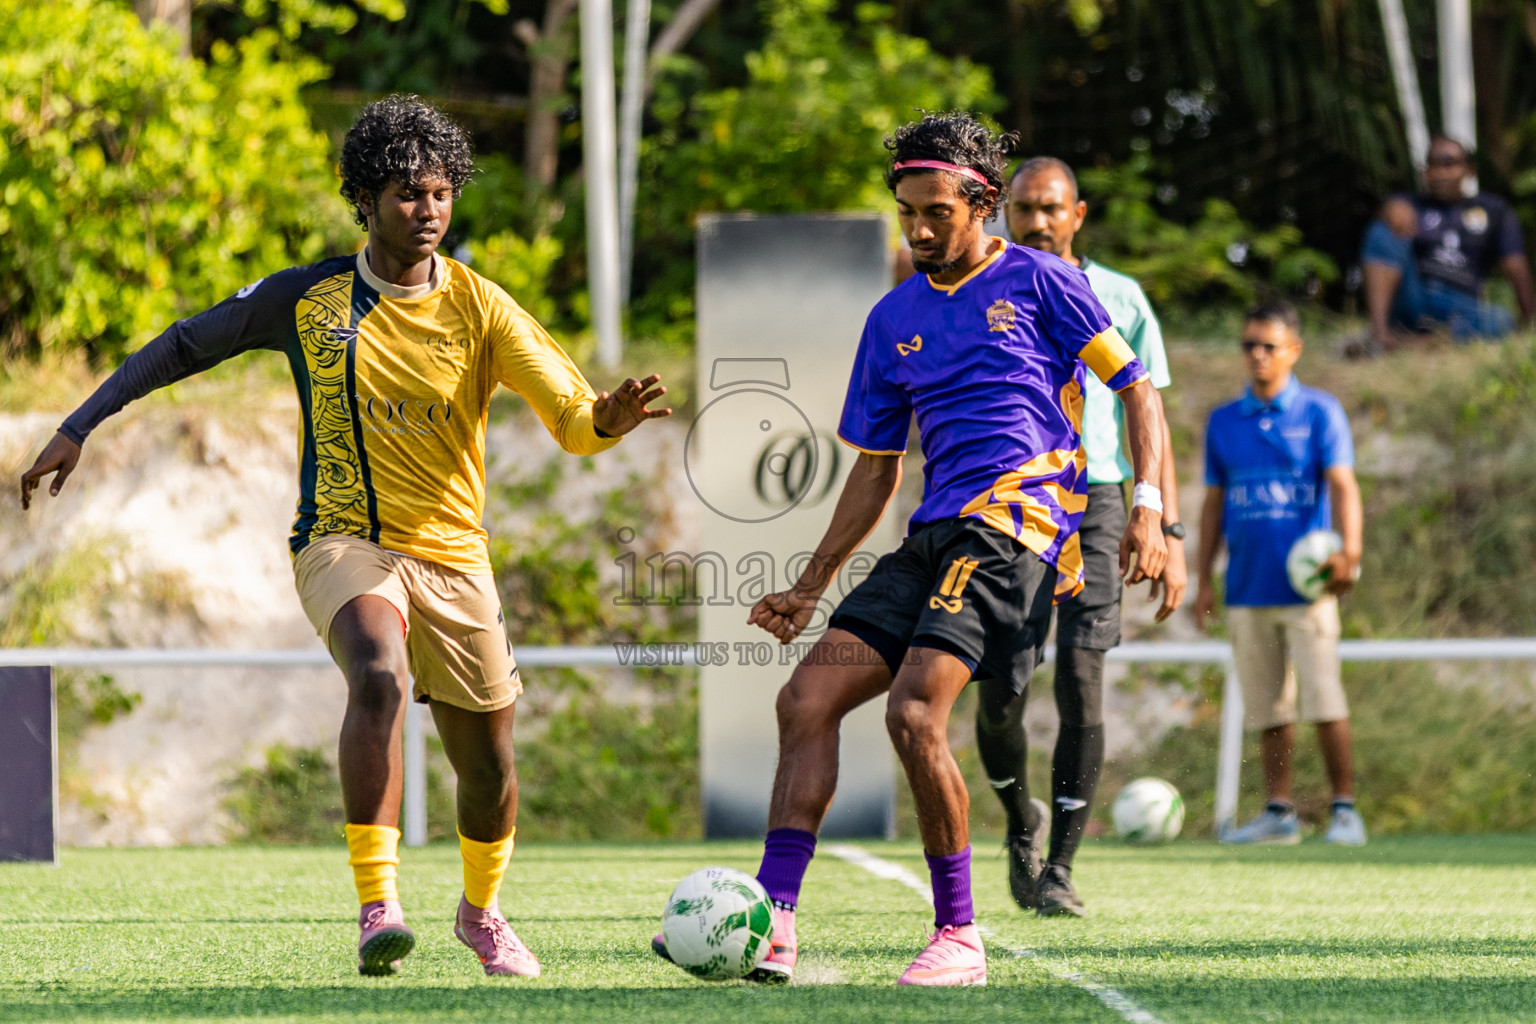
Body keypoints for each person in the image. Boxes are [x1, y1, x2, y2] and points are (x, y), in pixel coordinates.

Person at [17, 95, 670, 977]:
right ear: (364, 199)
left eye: (440, 193)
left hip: (454, 556)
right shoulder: (308, 298)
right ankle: (378, 907)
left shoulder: (483, 309)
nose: (428, 211)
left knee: (491, 767)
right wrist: (80, 423)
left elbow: (573, 422)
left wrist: (612, 418)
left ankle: (481, 915)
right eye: (407, 193)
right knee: (379, 677)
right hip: (342, 542)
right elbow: (182, 346)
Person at [659, 111, 1168, 987]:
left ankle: (959, 937)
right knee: (805, 700)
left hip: (1015, 530)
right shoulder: (892, 315)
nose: (921, 229)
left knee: (911, 715)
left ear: (983, 203)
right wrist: (812, 585)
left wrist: (1153, 507)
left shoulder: (1046, 283)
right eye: (907, 213)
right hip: (931, 535)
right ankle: (774, 923)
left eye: (937, 211)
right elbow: (875, 470)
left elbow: (1138, 393)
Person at [982, 156, 1186, 918]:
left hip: (1099, 499)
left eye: (1052, 208)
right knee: (1003, 685)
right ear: (1005, 214)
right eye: (1025, 209)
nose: (1038, 221)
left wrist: (1163, 520)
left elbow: (1151, 415)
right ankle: (1018, 822)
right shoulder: (985, 290)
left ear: (1078, 214)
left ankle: (1060, 867)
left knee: (1081, 673)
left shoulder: (1121, 297)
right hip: (1017, 500)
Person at [1192, 301, 1367, 846]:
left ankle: (1344, 811)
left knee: (1324, 697)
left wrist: (1350, 554)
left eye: (1269, 345)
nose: (1258, 355)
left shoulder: (1319, 412)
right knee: (1267, 704)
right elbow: (1213, 505)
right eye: (1249, 345)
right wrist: (1203, 579)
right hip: (1246, 587)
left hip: (1307, 586)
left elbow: (1343, 487)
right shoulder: (1223, 421)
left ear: (1293, 350)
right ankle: (1279, 812)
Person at [1357, 134, 1533, 354]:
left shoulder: (1495, 210)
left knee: (1501, 319)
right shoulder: (1410, 204)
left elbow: (1515, 266)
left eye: (1449, 164)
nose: (1439, 173)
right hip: (1414, 294)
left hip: (1460, 303)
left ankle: (1411, 345)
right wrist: (1388, 209)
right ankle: (1380, 335)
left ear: (1470, 170)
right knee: (1383, 230)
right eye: (1432, 165)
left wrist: (1530, 321)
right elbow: (1383, 242)